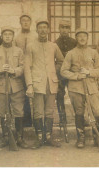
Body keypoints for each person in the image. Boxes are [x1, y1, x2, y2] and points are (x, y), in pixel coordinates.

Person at [24, 19, 64, 149]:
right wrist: (29, 84)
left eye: (45, 28)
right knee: (38, 112)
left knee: (49, 111)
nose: (42, 30)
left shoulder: (53, 46)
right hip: (37, 84)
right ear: (37, 30)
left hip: (51, 83)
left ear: (48, 30)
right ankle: (39, 138)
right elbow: (27, 67)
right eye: (40, 27)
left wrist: (54, 72)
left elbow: (61, 61)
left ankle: (48, 137)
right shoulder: (30, 46)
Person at [60, 28, 99, 148]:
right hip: (76, 88)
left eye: (84, 36)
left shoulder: (93, 53)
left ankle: (97, 137)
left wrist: (89, 72)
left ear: (87, 38)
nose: (82, 38)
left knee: (97, 111)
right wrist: (77, 76)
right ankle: (81, 138)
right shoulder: (71, 53)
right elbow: (63, 71)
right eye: (79, 36)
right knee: (79, 113)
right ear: (76, 38)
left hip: (91, 87)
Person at [0, 26, 28, 149]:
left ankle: (20, 138)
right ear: (2, 36)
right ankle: (5, 137)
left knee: (19, 111)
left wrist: (13, 70)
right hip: (0, 87)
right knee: (3, 112)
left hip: (16, 87)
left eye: (10, 34)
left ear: (12, 37)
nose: (7, 36)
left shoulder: (19, 51)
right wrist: (0, 70)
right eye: (5, 34)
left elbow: (23, 67)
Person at [14, 13, 37, 127]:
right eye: (23, 20)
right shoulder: (17, 37)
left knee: (36, 93)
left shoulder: (36, 36)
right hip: (22, 69)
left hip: (34, 68)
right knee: (23, 95)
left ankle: (38, 119)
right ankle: (27, 120)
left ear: (30, 22)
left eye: (27, 20)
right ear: (20, 23)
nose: (26, 22)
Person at [55, 20, 77, 131]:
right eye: (62, 27)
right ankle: (62, 118)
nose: (64, 30)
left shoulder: (74, 43)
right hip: (60, 74)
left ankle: (79, 116)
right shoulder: (55, 43)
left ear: (69, 30)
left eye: (66, 28)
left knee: (75, 94)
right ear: (59, 29)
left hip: (72, 73)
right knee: (59, 95)